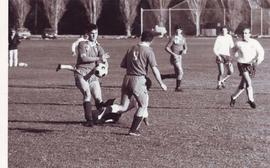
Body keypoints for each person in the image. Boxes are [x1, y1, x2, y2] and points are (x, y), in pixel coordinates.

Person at [98, 31, 167, 136]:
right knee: (143, 105)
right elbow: (154, 69)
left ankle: (106, 109)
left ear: (141, 38)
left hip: (127, 79)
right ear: (151, 40)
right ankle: (133, 130)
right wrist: (161, 83)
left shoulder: (131, 48)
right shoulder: (148, 51)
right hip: (138, 80)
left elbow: (123, 65)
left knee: (123, 106)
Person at [73, 24, 110, 127]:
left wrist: (104, 67)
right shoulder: (82, 44)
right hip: (81, 74)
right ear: (87, 34)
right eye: (92, 34)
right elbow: (84, 58)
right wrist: (99, 58)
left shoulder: (99, 47)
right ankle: (89, 121)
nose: (94, 36)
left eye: (96, 33)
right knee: (87, 94)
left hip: (93, 76)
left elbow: (104, 61)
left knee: (99, 99)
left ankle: (101, 118)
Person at [230, 27, 264, 109]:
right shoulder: (239, 43)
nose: (244, 35)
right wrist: (234, 57)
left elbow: (261, 52)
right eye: (243, 33)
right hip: (242, 64)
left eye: (246, 33)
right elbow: (232, 51)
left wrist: (258, 60)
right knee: (248, 81)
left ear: (249, 34)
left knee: (243, 85)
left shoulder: (254, 42)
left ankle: (233, 97)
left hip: (251, 64)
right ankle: (251, 100)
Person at [161, 25, 187, 92]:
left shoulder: (183, 38)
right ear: (175, 30)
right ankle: (178, 87)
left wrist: (184, 50)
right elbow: (166, 48)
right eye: (177, 30)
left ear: (181, 31)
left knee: (178, 74)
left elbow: (185, 47)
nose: (178, 31)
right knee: (181, 72)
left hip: (180, 58)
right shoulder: (173, 38)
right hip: (174, 58)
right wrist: (173, 54)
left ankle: (164, 76)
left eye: (179, 30)